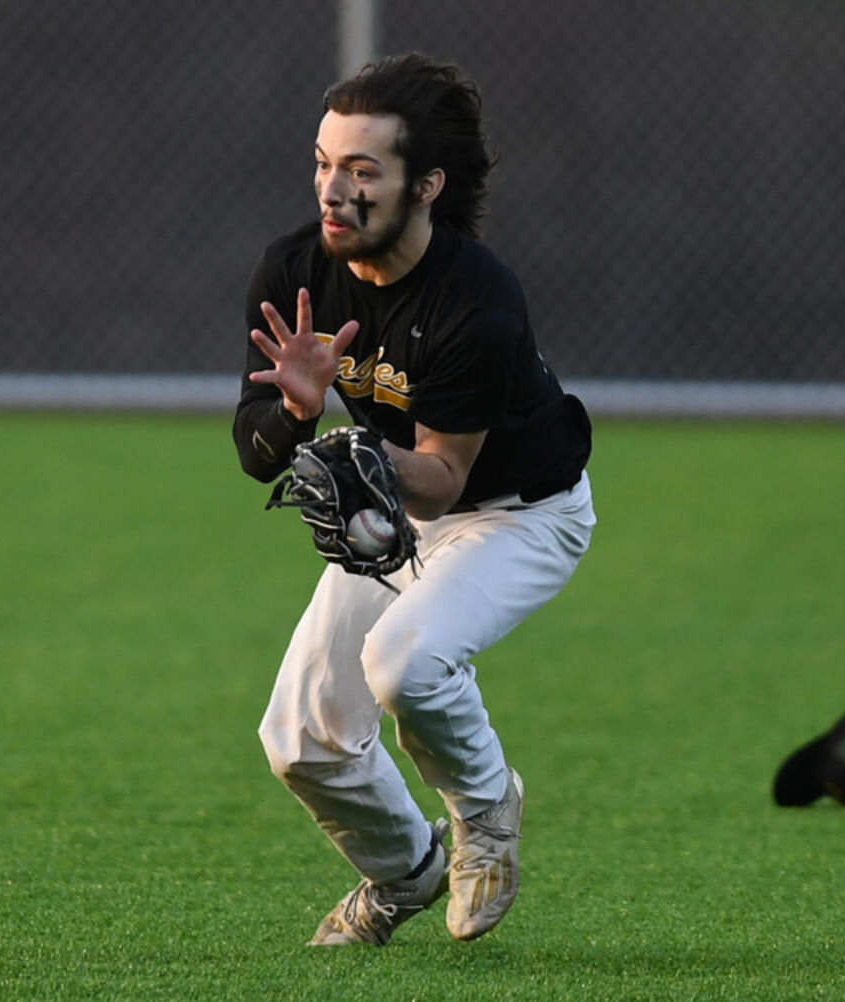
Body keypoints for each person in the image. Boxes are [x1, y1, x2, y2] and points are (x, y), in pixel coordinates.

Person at [232, 52, 595, 947]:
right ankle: (406, 873)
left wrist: (355, 451)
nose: (334, 189)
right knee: (300, 739)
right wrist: (294, 409)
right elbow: (253, 452)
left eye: (363, 169)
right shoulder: (297, 273)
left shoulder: (478, 299)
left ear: (425, 184)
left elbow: (443, 477)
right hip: (398, 508)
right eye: (324, 162)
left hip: (520, 513)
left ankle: (486, 810)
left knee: (404, 662)